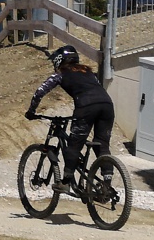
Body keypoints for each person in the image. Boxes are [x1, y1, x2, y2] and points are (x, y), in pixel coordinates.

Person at [26, 45, 115, 193]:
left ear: (59, 60)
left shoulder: (61, 73)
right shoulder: (88, 72)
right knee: (102, 145)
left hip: (86, 106)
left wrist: (31, 111)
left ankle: (66, 182)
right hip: (107, 105)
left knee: (74, 145)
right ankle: (107, 185)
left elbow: (40, 91)